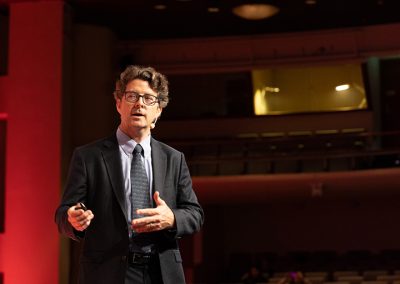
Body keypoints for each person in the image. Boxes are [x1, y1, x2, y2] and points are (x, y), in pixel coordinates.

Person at [55, 65, 204, 284]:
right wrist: (73, 220)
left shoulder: (174, 158)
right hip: (107, 273)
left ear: (159, 110)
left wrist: (171, 218)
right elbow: (62, 215)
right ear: (118, 103)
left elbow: (195, 214)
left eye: (148, 99)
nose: (139, 104)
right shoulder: (89, 157)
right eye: (132, 96)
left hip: (161, 272)